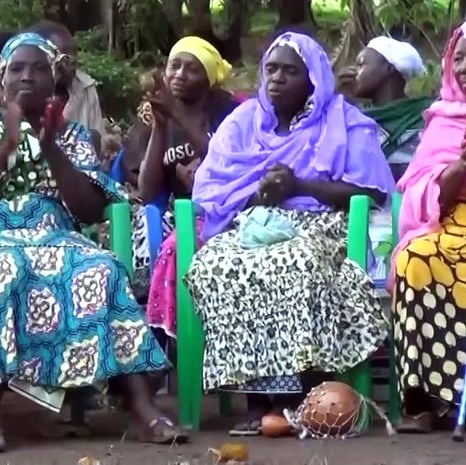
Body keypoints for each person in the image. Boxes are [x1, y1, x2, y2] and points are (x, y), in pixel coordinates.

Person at [0, 32, 182, 453]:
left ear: (54, 81)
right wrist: (1, 150)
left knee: (102, 268)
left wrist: (51, 148)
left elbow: (89, 209)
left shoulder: (71, 133)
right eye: (17, 69)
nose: (27, 77)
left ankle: (140, 404)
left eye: (39, 68)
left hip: (56, 232)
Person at [184, 31, 393, 436]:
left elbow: (370, 190)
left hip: (323, 226)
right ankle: (256, 399)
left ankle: (299, 398)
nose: (276, 79)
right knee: (216, 265)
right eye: (271, 69)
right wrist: (258, 194)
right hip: (255, 225)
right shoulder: (243, 122)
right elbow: (212, 189)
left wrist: (300, 186)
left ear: (313, 78)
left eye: (290, 71)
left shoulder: (344, 121)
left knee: (294, 263)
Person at [116, 36, 238, 333]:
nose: (179, 75)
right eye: (175, 66)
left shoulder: (228, 110)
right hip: (179, 212)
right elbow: (147, 192)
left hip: (227, 208)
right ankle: (166, 330)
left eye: (192, 69)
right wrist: (160, 123)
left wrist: (178, 115)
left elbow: (227, 162)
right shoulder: (153, 115)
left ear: (208, 78)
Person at [389, 23, 466, 433]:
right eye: (460, 57)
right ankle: (426, 401)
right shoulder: (443, 121)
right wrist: (460, 167)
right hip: (451, 223)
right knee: (416, 260)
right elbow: (421, 192)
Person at [341, 36, 430, 180]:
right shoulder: (353, 119)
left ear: (389, 68)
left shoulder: (426, 118)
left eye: (361, 65)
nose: (354, 72)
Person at [31, 21, 104, 144]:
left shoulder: (85, 86)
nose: (68, 65)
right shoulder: (27, 90)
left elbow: (98, 140)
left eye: (71, 57)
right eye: (60, 59)